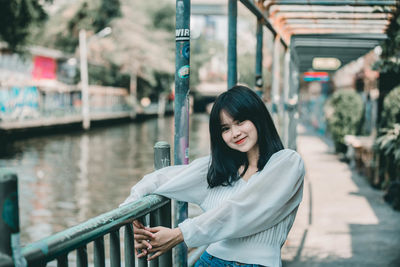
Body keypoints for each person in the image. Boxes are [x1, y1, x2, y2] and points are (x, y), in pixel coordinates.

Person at [120, 85, 305, 267]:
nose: (235, 133)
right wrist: (129, 209)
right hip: (211, 261)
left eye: (240, 121)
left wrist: (180, 234)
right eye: (225, 128)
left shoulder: (287, 164)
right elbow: (159, 178)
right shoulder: (218, 170)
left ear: (258, 117)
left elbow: (241, 210)